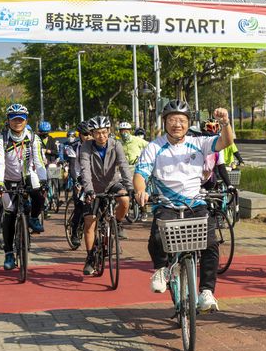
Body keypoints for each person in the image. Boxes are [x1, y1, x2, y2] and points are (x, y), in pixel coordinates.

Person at [134, 100, 233, 312]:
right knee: (157, 238)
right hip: (167, 204)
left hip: (195, 203)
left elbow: (225, 142)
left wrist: (225, 122)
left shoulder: (199, 143)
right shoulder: (154, 147)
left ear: (188, 123)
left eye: (181, 120)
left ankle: (206, 291)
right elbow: (140, 174)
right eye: (172, 120)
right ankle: (161, 269)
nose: (177, 124)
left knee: (211, 244)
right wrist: (140, 190)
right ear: (165, 122)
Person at [0, 104, 47, 271]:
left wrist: (44, 179)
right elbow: (0, 163)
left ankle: (32, 218)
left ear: (26, 121)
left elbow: (38, 161)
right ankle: (9, 253)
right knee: (9, 213)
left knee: (39, 195)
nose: (17, 122)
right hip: (7, 179)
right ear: (8, 121)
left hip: (27, 176)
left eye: (21, 119)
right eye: (14, 119)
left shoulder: (33, 138)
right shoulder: (1, 139)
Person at [78, 116, 133, 275]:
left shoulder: (116, 145)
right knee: (90, 221)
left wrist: (129, 188)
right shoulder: (86, 146)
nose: (101, 136)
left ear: (109, 131)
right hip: (93, 187)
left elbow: (123, 166)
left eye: (104, 132)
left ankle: (118, 223)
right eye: (97, 133)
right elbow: (85, 169)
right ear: (92, 133)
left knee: (124, 199)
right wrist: (88, 189)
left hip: (112, 184)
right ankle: (90, 257)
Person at [64, 121, 93, 246]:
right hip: (80, 177)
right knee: (80, 207)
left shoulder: (97, 145)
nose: (88, 137)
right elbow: (73, 167)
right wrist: (77, 182)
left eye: (91, 134)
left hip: (95, 178)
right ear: (80, 135)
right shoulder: (74, 147)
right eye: (85, 134)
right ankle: (75, 232)